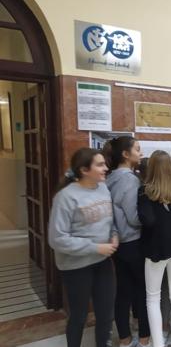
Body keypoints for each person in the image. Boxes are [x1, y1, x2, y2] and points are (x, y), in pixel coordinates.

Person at [48, 148, 117, 347]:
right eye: (100, 164)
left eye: (105, 163)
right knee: (79, 317)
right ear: (84, 170)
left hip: (102, 262)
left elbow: (109, 220)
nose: (106, 168)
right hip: (76, 266)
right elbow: (57, 238)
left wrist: (114, 235)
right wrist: (95, 247)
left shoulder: (103, 188)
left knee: (105, 314)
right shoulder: (66, 197)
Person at [137, 151, 171, 347]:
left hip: (155, 250)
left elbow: (147, 220)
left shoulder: (145, 191)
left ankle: (158, 343)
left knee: (152, 298)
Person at [104, 136, 150, 347]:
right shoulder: (129, 180)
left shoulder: (110, 177)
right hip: (132, 242)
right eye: (137, 149)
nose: (140, 153)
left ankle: (124, 338)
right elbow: (134, 217)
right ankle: (143, 338)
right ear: (125, 154)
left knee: (123, 290)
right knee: (141, 290)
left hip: (116, 242)